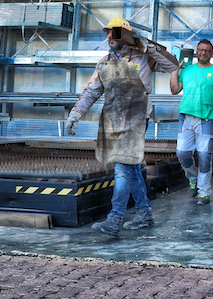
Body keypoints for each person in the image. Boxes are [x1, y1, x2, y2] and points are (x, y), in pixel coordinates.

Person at [67, 18, 179, 236]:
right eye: (108, 34)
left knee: (121, 168)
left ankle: (115, 217)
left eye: (114, 33)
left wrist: (150, 46)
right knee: (132, 167)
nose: (109, 37)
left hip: (137, 121)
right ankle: (144, 213)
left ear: (125, 36)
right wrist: (76, 112)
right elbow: (92, 91)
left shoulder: (144, 57)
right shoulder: (105, 62)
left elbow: (173, 65)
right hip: (114, 121)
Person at [171, 38, 213, 206]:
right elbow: (174, 90)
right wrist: (175, 70)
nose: (203, 53)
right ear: (196, 52)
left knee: (204, 156)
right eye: (200, 50)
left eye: (207, 50)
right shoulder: (187, 70)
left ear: (211, 53)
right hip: (186, 117)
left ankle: (204, 192)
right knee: (182, 153)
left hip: (207, 118)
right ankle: (193, 179)